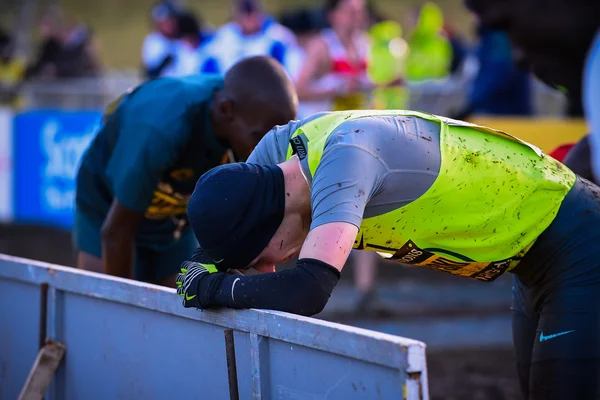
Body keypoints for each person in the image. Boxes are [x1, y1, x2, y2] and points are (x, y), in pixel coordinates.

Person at [177, 109, 600, 399]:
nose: (268, 269)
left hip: (576, 240)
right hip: (531, 261)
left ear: (268, 225)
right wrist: (204, 273)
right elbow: (223, 220)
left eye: (260, 258)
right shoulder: (273, 158)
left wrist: (214, 286)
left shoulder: (346, 159)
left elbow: (307, 291)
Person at [73, 56, 297, 287]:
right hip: (108, 205)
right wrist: (121, 308)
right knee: (102, 297)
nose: (269, 152)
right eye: (260, 137)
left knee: (183, 303)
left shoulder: (243, 110)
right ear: (225, 111)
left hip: (172, 219)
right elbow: (115, 232)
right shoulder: (161, 129)